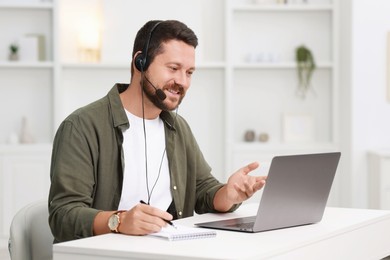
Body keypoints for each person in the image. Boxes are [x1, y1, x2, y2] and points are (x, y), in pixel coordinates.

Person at [48, 19, 266, 243]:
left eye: (189, 72)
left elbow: (202, 190)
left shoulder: (177, 128)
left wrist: (227, 195)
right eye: (173, 68)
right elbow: (63, 215)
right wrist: (120, 221)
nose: (182, 82)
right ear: (140, 63)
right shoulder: (82, 127)